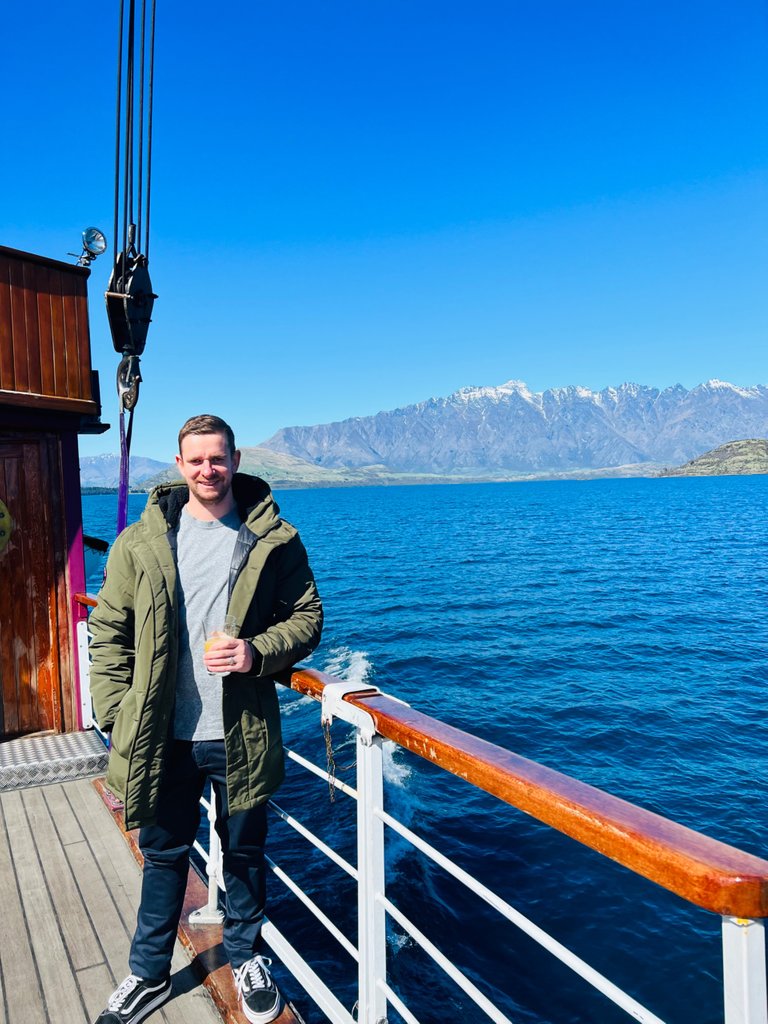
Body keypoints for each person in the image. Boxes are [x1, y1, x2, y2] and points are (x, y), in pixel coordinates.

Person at [89, 414, 323, 1024]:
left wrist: (256, 652)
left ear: (236, 459)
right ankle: (146, 974)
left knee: (244, 854)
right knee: (164, 854)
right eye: (196, 461)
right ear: (178, 465)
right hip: (162, 734)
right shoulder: (140, 544)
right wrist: (115, 716)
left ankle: (246, 958)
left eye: (217, 459)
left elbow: (307, 618)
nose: (207, 470)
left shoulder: (274, 539)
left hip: (238, 733)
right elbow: (110, 633)